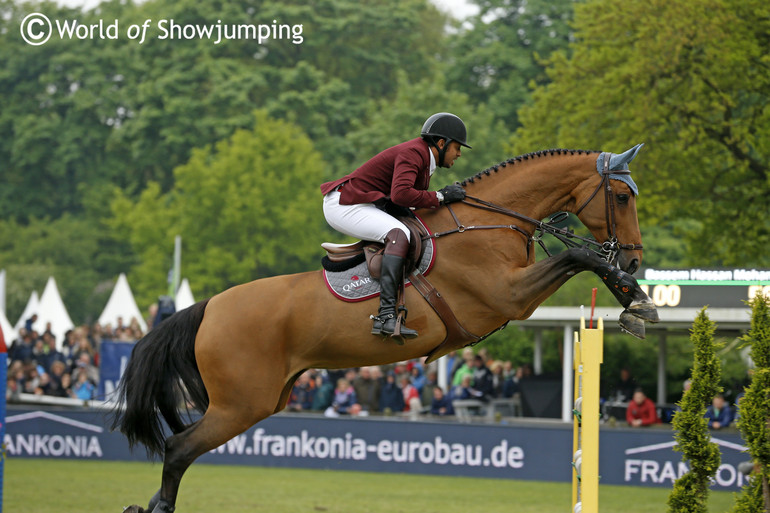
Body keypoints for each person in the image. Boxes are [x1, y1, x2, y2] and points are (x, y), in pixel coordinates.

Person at [320, 113, 471, 340]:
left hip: (363, 203)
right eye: (457, 147)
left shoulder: (423, 157)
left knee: (408, 229)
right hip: (345, 204)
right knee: (399, 235)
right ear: (442, 143)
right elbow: (401, 195)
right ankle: (386, 316)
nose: (459, 154)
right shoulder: (414, 153)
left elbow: (399, 198)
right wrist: (440, 196)